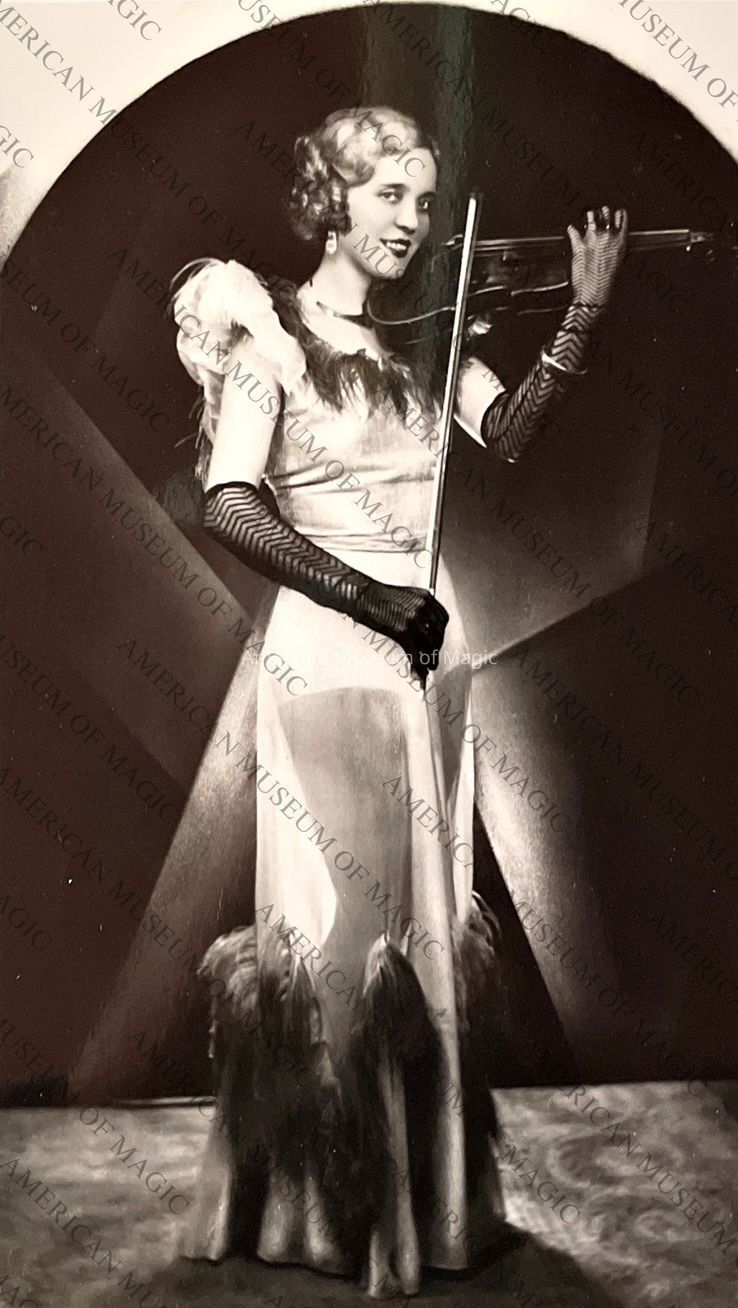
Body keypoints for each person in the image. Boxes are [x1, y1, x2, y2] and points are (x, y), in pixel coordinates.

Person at [170, 105, 627, 1297]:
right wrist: (370, 597)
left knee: (422, 919)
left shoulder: (424, 340)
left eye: (426, 201)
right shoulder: (268, 331)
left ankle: (427, 1208)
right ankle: (333, 1219)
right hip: (336, 659)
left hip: (433, 656)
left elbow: (508, 433)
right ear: (332, 198)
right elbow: (229, 501)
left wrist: (581, 311)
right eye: (389, 195)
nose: (415, 221)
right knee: (342, 933)